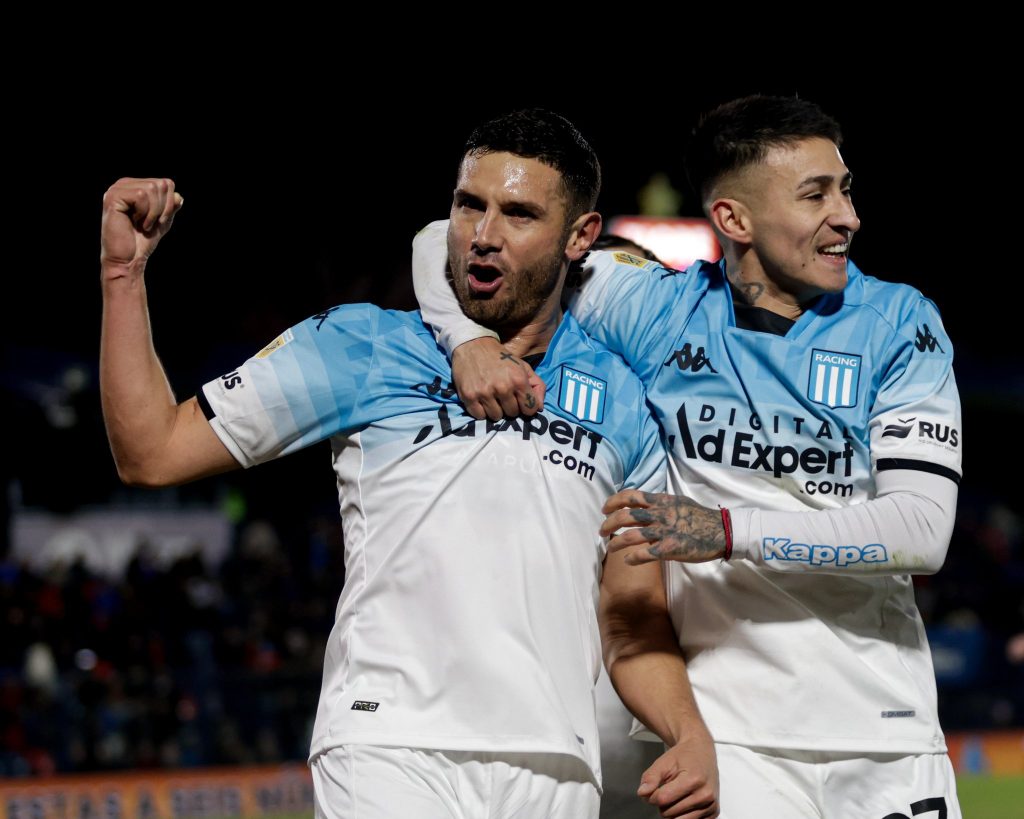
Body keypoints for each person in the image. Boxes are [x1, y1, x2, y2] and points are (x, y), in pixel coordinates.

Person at [99, 109, 717, 818]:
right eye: (469, 205)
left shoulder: (621, 399)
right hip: (385, 740)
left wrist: (689, 731)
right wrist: (124, 275)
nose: (484, 235)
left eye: (519, 214)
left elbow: (630, 617)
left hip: (555, 762)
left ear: (580, 236)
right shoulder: (361, 344)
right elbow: (152, 452)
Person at [412, 95, 963, 817]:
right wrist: (468, 340)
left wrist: (726, 530)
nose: (848, 216)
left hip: (886, 732)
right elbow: (435, 241)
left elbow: (921, 531)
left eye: (846, 188)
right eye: (816, 194)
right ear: (734, 219)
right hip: (732, 744)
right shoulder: (655, 309)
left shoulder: (900, 323)